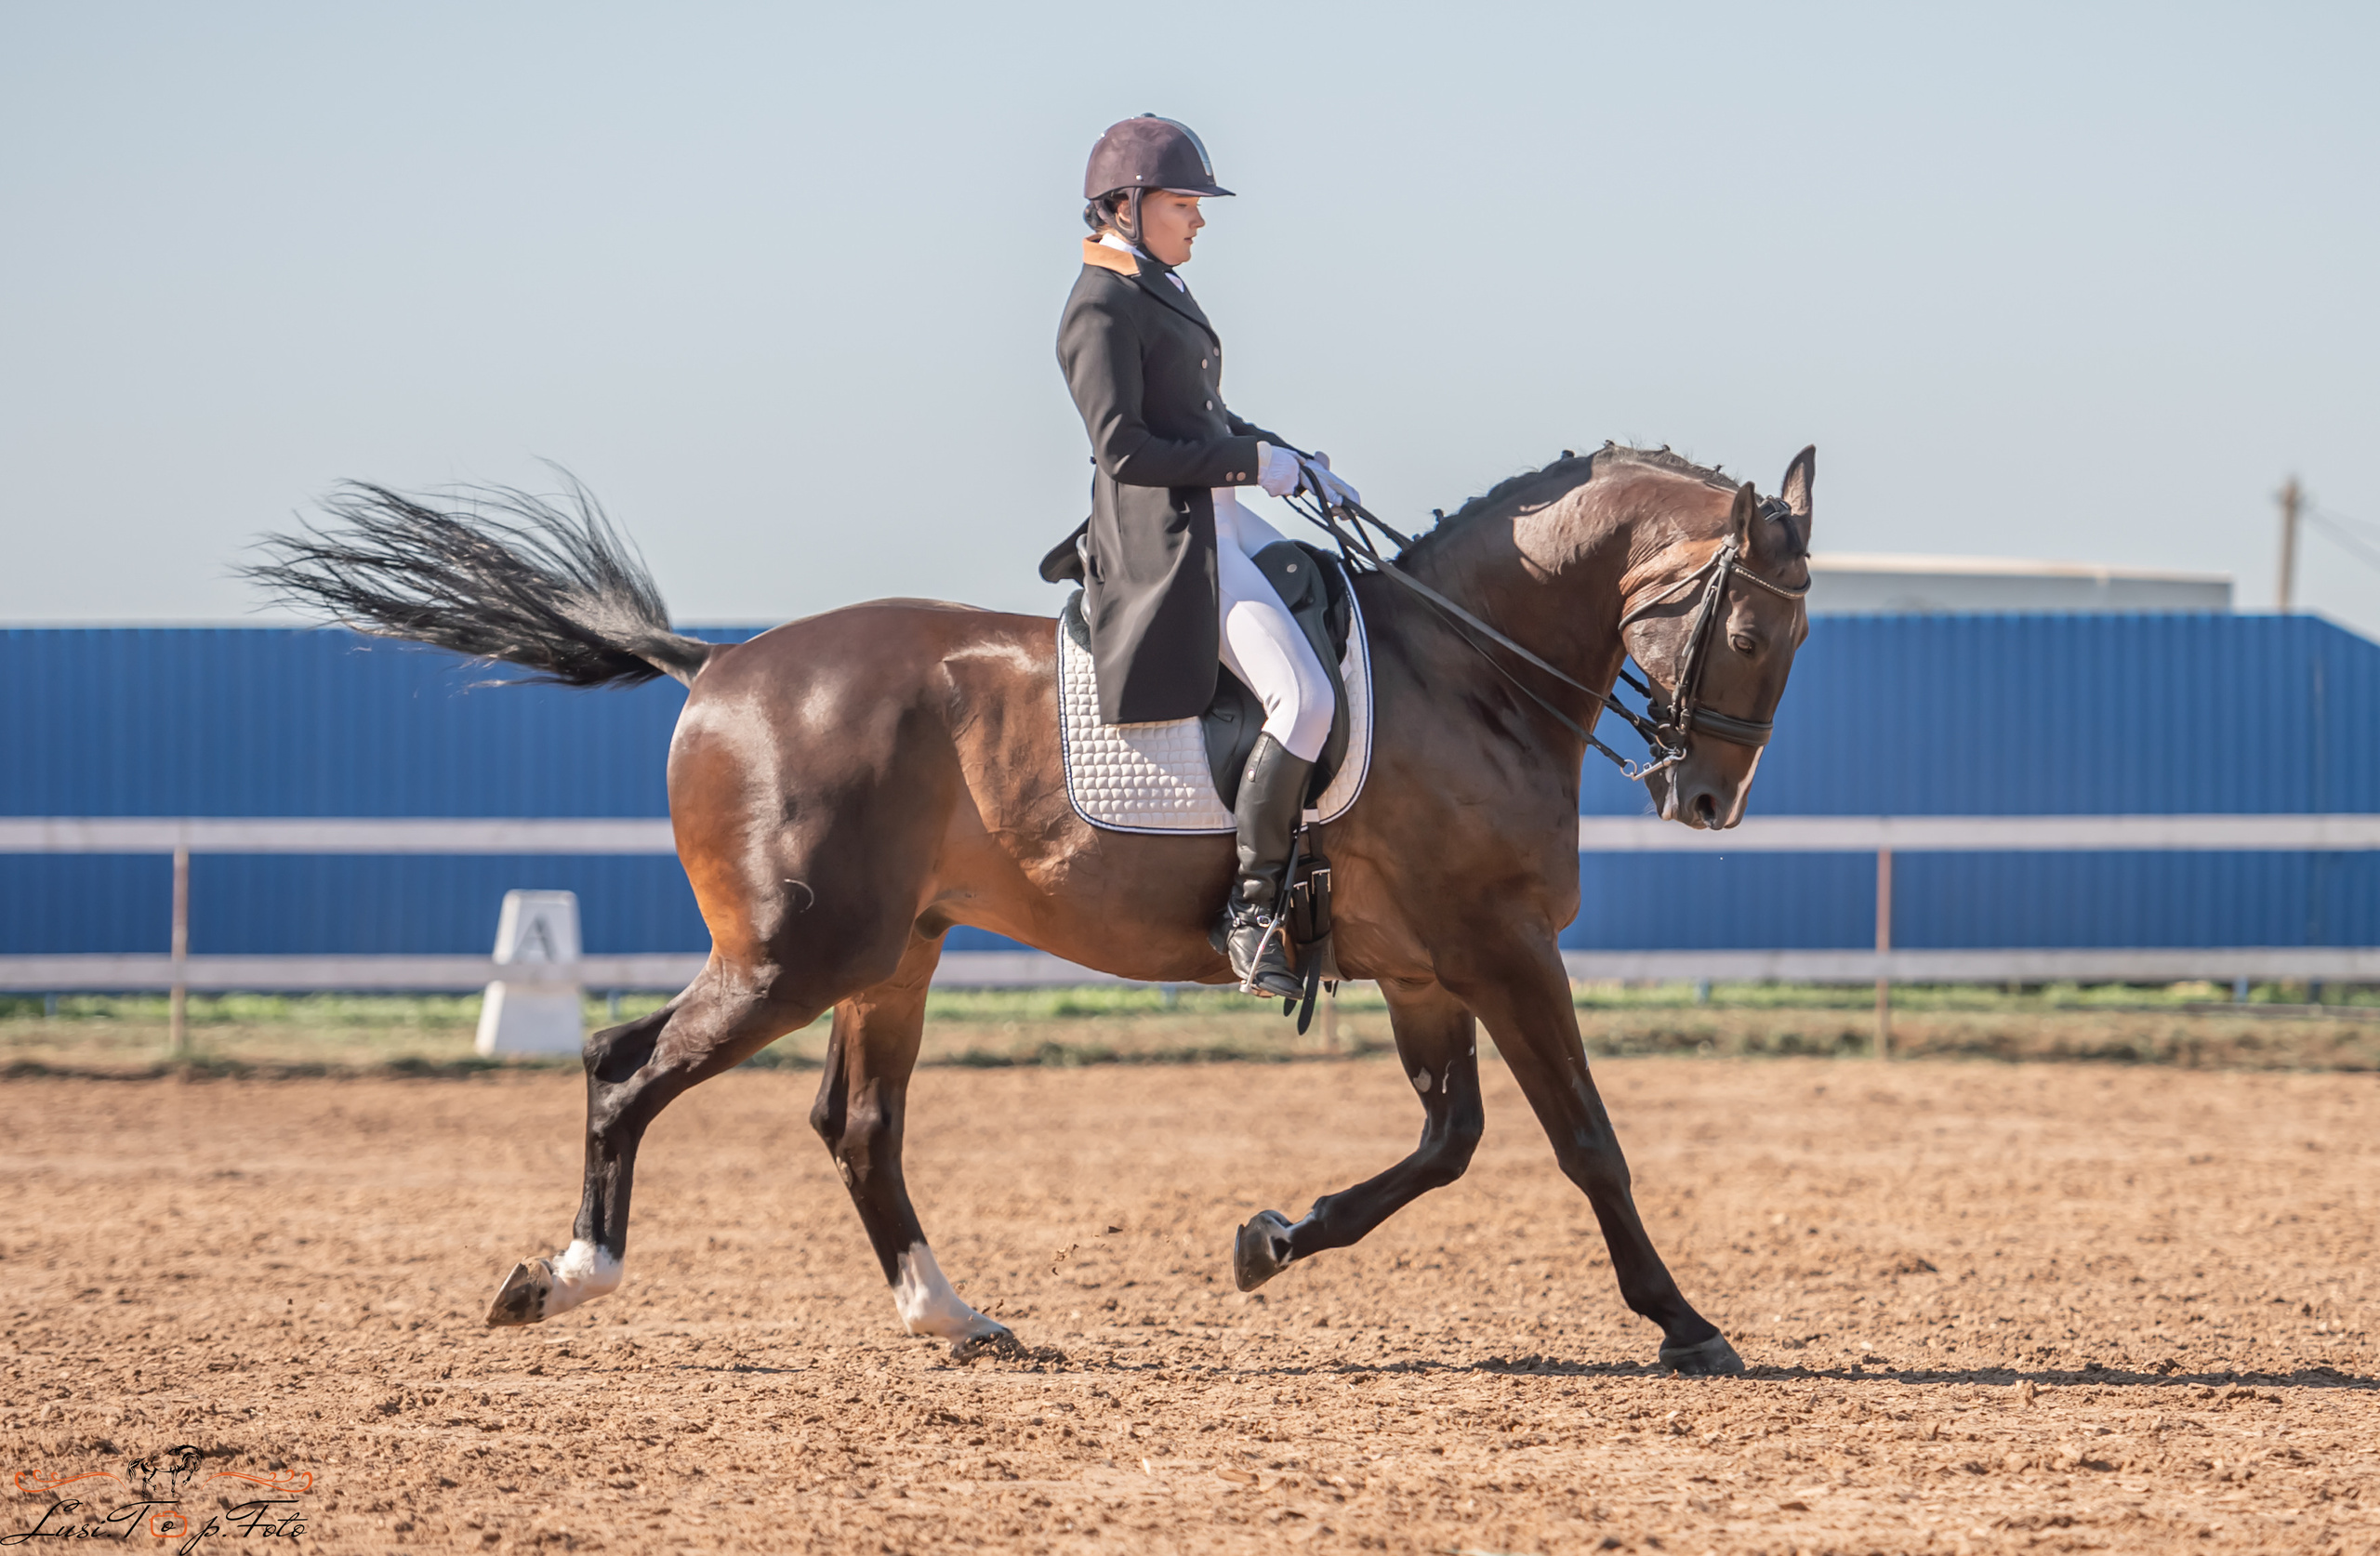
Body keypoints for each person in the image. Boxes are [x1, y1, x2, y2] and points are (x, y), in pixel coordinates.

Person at [1049, 114, 1360, 999]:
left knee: (1347, 602)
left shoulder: (1156, 288)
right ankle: (1252, 911)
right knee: (1303, 699)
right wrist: (1251, 465)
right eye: (1183, 203)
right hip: (1166, 538)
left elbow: (1205, 420)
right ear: (1127, 206)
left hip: (1217, 514)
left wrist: (1291, 460)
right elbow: (1125, 450)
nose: (1199, 218)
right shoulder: (1100, 305)